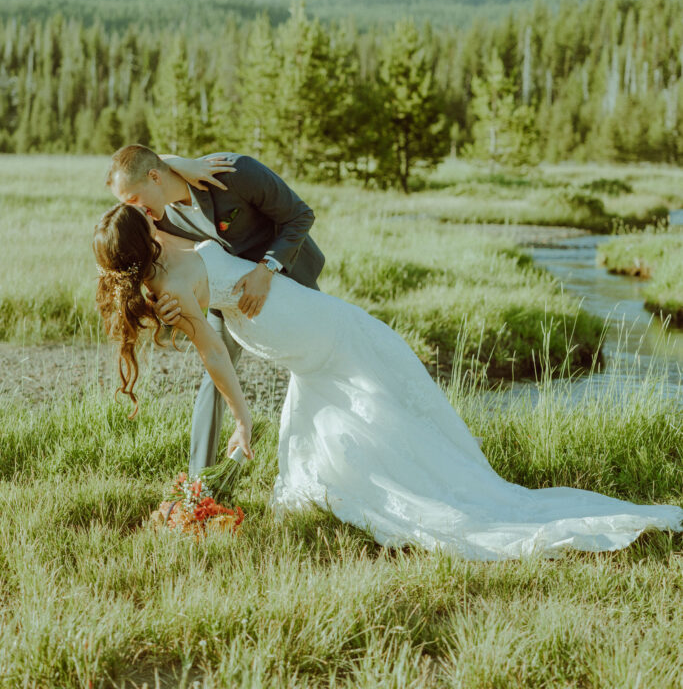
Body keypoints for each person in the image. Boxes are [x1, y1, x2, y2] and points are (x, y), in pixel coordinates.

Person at [93, 203, 683, 561]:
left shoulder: (164, 275)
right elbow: (212, 347)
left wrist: (243, 419)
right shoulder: (169, 264)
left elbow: (216, 356)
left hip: (310, 333)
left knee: (379, 412)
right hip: (309, 330)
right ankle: (411, 481)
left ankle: (430, 492)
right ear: (144, 240)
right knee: (370, 413)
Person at [106, 144, 324, 475]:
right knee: (216, 375)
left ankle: (318, 460)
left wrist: (265, 271)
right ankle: (199, 483)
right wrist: (157, 306)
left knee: (315, 363)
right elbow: (146, 261)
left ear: (154, 177)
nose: (134, 211)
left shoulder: (234, 173)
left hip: (287, 279)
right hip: (227, 301)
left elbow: (300, 215)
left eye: (134, 200)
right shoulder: (156, 217)